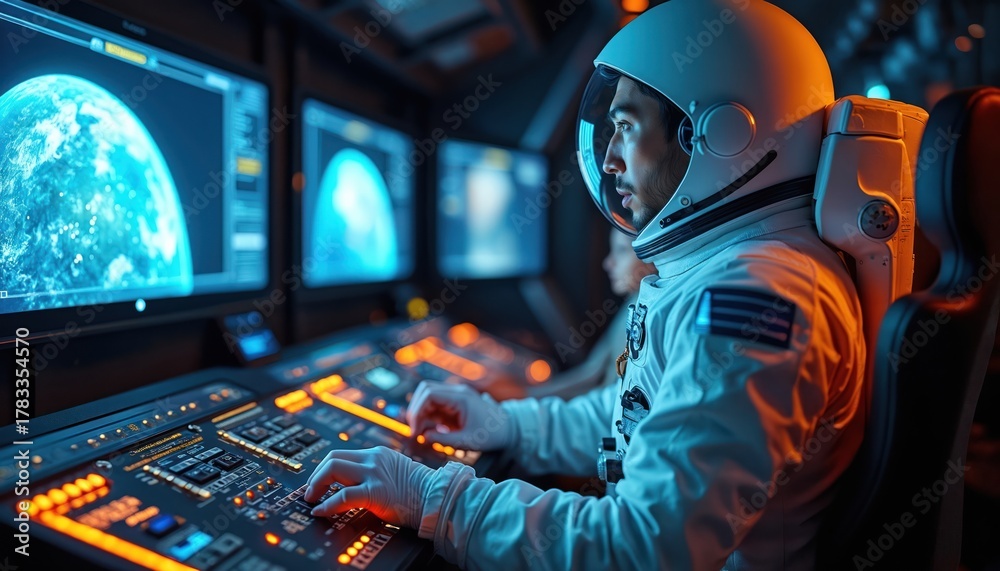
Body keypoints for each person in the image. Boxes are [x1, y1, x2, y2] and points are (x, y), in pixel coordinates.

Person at [304, 1, 866, 569]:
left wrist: (433, 499)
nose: (611, 160)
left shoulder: (758, 297)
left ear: (717, 136)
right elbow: (639, 418)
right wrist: (508, 424)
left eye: (626, 127)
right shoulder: (734, 271)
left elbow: (641, 548)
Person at [533, 228, 657, 399]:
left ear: (653, 255)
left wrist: (523, 394)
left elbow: (595, 381)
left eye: (621, 250)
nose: (608, 263)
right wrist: (524, 393)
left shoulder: (646, 313)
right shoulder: (631, 304)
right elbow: (591, 372)